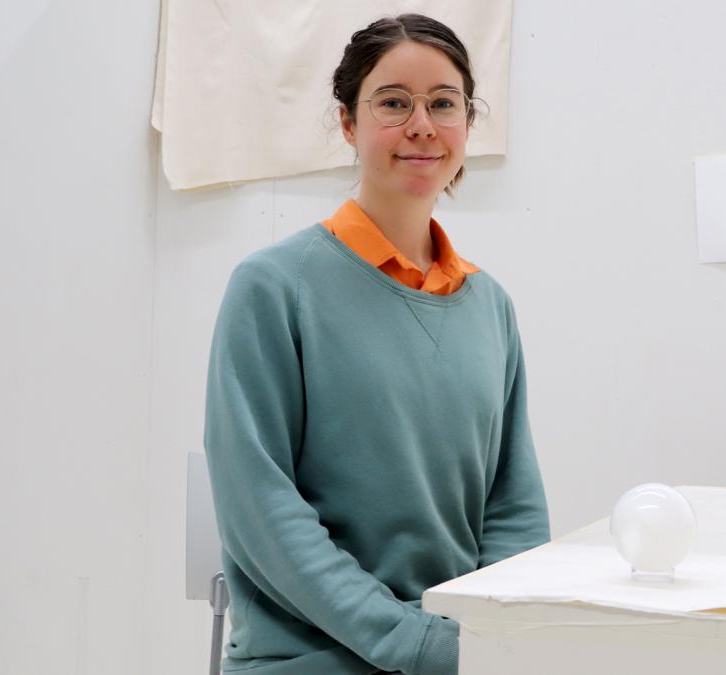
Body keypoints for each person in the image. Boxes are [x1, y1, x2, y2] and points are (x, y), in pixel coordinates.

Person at [203, 13, 551, 675]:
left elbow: (514, 507)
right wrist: (418, 644)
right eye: (393, 102)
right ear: (348, 123)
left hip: (459, 656)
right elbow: (261, 508)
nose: (422, 124)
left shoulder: (490, 306)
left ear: (467, 126)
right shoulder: (275, 287)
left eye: (444, 103)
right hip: (311, 658)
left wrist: (502, 635)